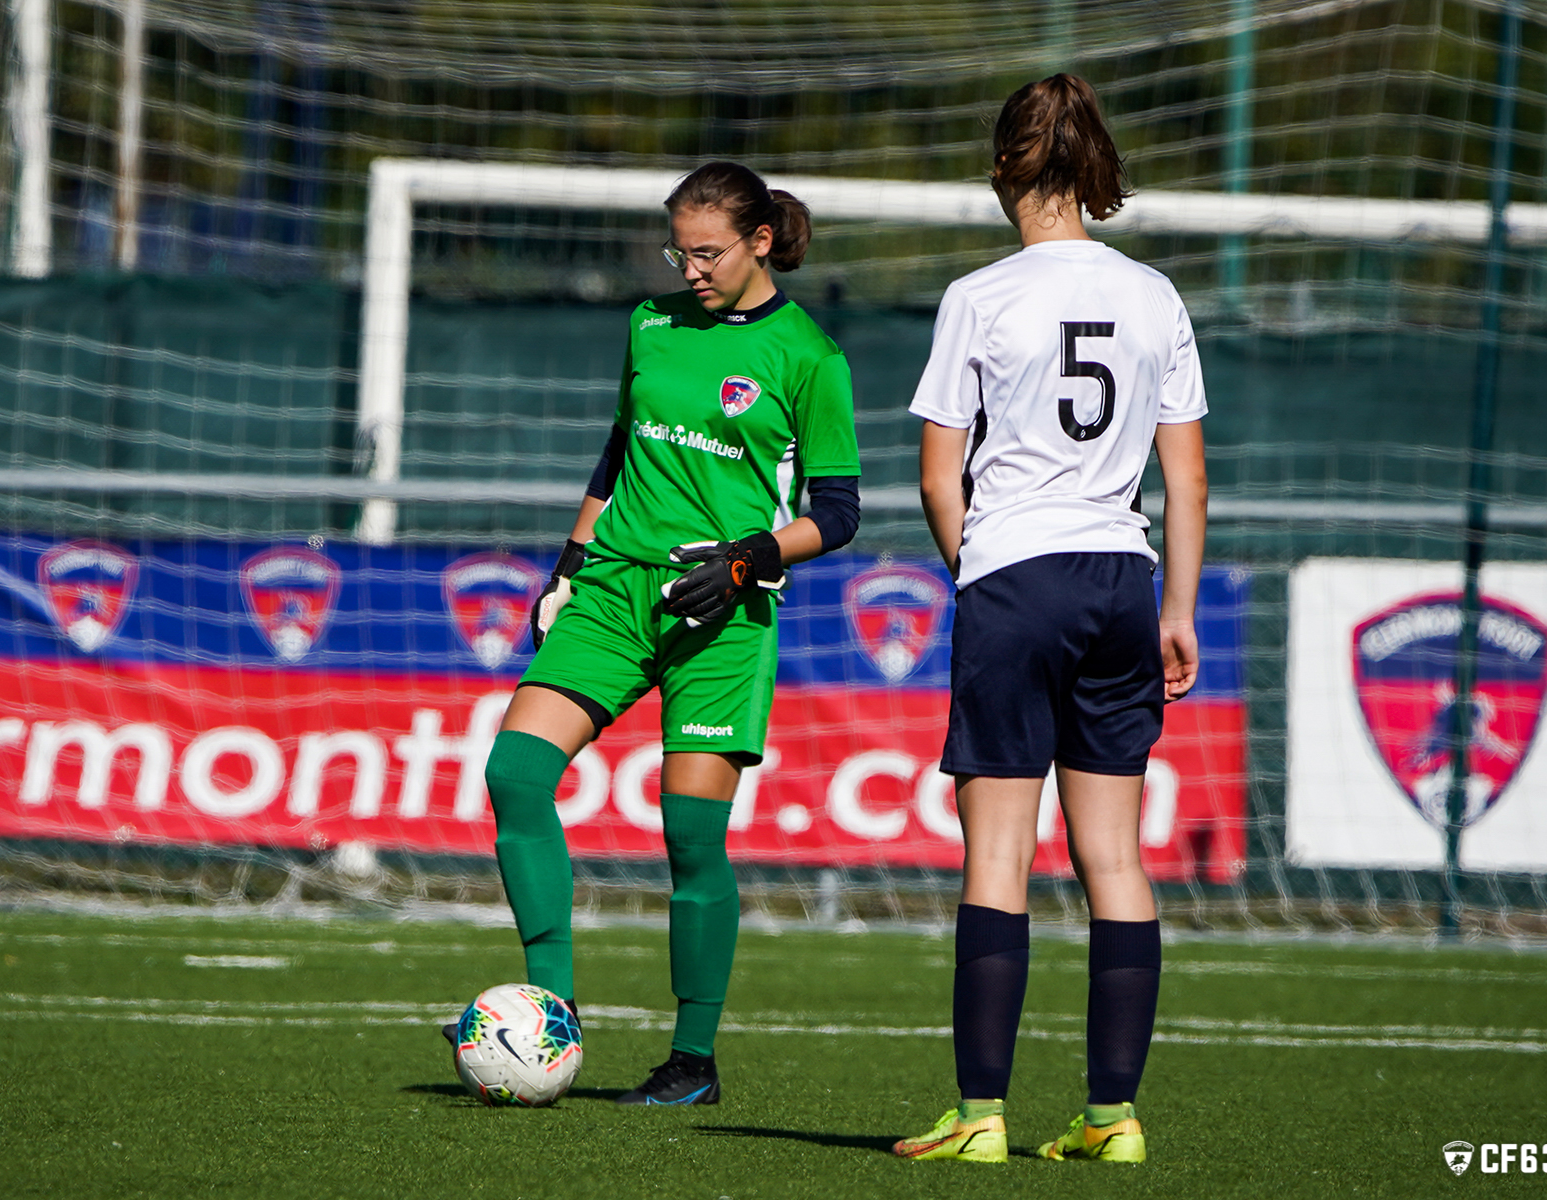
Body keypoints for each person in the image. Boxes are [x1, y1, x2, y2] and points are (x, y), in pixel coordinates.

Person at [469, 161, 862, 1106]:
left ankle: (693, 1060)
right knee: (515, 775)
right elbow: (618, 449)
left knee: (689, 833)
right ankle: (547, 1020)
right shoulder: (647, 325)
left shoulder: (810, 357)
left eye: (706, 252)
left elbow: (840, 513)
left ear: (760, 243)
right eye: (676, 251)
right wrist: (567, 564)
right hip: (612, 591)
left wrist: (746, 558)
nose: (688, 269)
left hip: (722, 608)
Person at [892, 74, 1208, 1164]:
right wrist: (1176, 607)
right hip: (1124, 578)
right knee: (1114, 859)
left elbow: (942, 478)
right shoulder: (1155, 295)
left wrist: (979, 571)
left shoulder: (979, 296)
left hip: (1015, 579)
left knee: (997, 859)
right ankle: (1112, 1119)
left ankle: (981, 1115)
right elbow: (1188, 482)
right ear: (1096, 169)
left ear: (1001, 171)